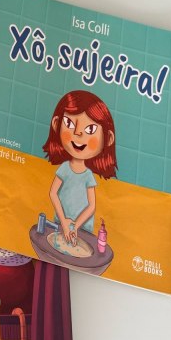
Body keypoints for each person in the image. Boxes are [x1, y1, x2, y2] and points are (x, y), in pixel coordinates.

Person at [42, 90, 117, 244]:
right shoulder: (64, 168)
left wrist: (75, 225)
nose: (77, 133)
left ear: (108, 139)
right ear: (56, 124)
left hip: (83, 231)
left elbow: (92, 206)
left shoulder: (88, 175)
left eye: (90, 129)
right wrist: (64, 221)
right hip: (60, 224)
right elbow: (53, 193)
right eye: (69, 123)